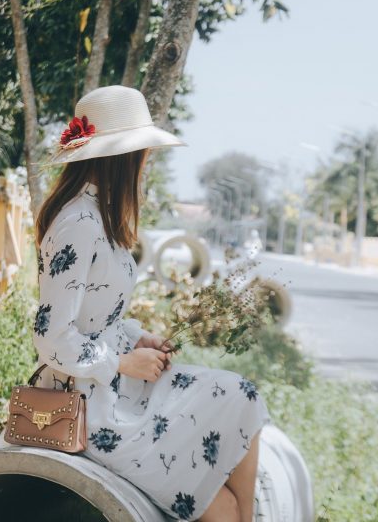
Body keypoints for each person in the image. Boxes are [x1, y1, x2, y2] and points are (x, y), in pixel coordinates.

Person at [31, 85, 272, 521]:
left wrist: (141, 337)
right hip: (91, 406)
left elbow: (98, 318)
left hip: (114, 387)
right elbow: (52, 339)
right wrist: (124, 363)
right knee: (223, 508)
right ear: (123, 157)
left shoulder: (99, 214)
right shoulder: (78, 223)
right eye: (143, 150)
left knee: (242, 397)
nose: (147, 161)